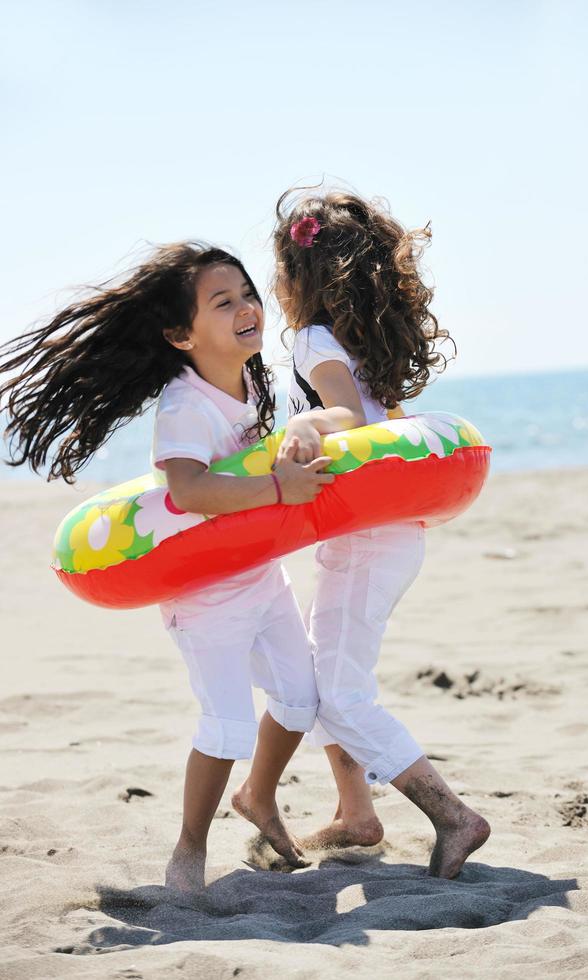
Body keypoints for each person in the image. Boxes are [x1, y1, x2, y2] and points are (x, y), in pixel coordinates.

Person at [0, 242, 335, 894]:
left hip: (260, 576)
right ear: (182, 335)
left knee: (300, 699)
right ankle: (189, 846)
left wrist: (302, 437)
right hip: (206, 594)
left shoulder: (254, 378)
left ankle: (258, 799)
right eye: (223, 301)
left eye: (246, 293)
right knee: (228, 727)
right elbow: (187, 490)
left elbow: (264, 451)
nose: (246, 308)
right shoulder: (183, 405)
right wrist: (278, 491)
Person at [243, 190, 491, 878]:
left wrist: (302, 424)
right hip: (378, 536)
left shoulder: (313, 338)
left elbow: (347, 418)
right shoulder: (360, 339)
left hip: (368, 541)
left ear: (300, 277)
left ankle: (452, 816)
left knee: (341, 693)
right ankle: (354, 811)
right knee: (324, 677)